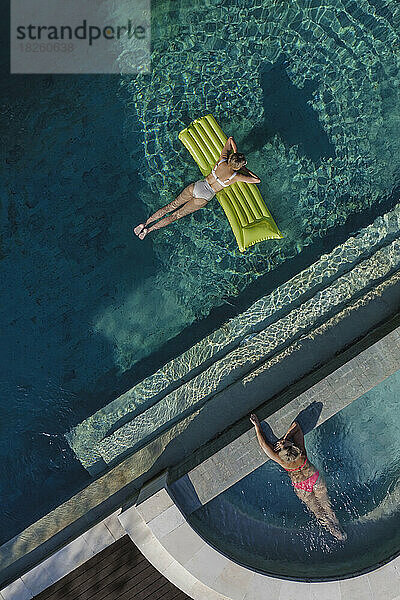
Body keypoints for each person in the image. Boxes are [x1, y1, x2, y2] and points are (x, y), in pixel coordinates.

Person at [134, 136, 260, 240]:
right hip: (205, 196)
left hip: (197, 186)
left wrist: (235, 152)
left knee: (171, 206)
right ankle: (149, 230)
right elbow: (256, 180)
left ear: (232, 158)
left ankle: (145, 223)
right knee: (176, 216)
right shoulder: (235, 176)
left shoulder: (222, 160)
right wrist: (244, 168)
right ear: (238, 167)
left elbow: (230, 139)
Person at [250, 413, 347, 541]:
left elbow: (264, 445)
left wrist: (257, 426)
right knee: (327, 507)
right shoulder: (301, 452)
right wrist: (287, 440)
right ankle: (338, 530)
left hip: (302, 486)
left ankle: (333, 531)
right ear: (293, 448)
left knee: (318, 512)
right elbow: (297, 426)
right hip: (314, 479)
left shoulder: (281, 460)